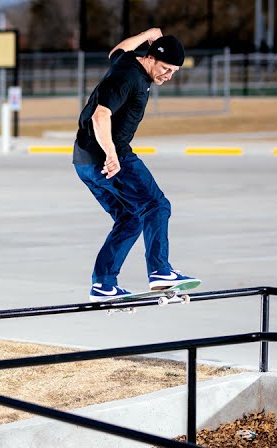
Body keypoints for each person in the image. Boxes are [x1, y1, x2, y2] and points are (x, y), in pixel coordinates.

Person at [73, 28, 199, 302]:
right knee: (156, 206)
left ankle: (104, 284)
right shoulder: (128, 77)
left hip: (84, 162)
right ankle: (160, 271)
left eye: (174, 72)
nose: (168, 76)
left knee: (130, 219)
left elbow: (116, 49)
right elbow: (100, 115)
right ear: (151, 58)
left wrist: (150, 32)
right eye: (165, 68)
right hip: (110, 158)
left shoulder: (127, 61)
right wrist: (111, 154)